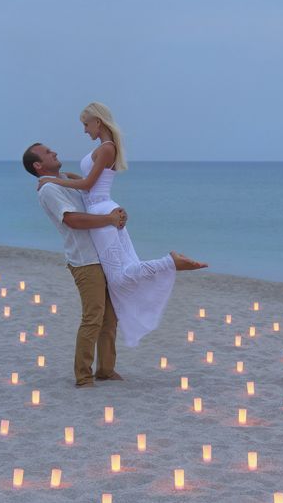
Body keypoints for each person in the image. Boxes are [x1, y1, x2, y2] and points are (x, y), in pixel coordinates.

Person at [37, 101, 207, 348]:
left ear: (98, 121)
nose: (85, 130)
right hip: (101, 209)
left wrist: (53, 181)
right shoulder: (102, 148)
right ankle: (170, 262)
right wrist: (63, 177)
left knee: (118, 279)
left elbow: (86, 186)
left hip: (103, 212)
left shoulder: (107, 148)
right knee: (124, 270)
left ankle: (170, 262)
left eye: (86, 124)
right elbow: (87, 181)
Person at [22, 142, 126, 388]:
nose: (55, 152)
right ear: (38, 165)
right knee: (93, 317)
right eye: (47, 153)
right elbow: (72, 220)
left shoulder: (66, 179)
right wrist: (109, 220)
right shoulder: (48, 190)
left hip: (103, 255)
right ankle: (83, 375)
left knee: (111, 317)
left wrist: (116, 212)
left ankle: (106, 370)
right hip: (84, 261)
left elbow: (95, 195)